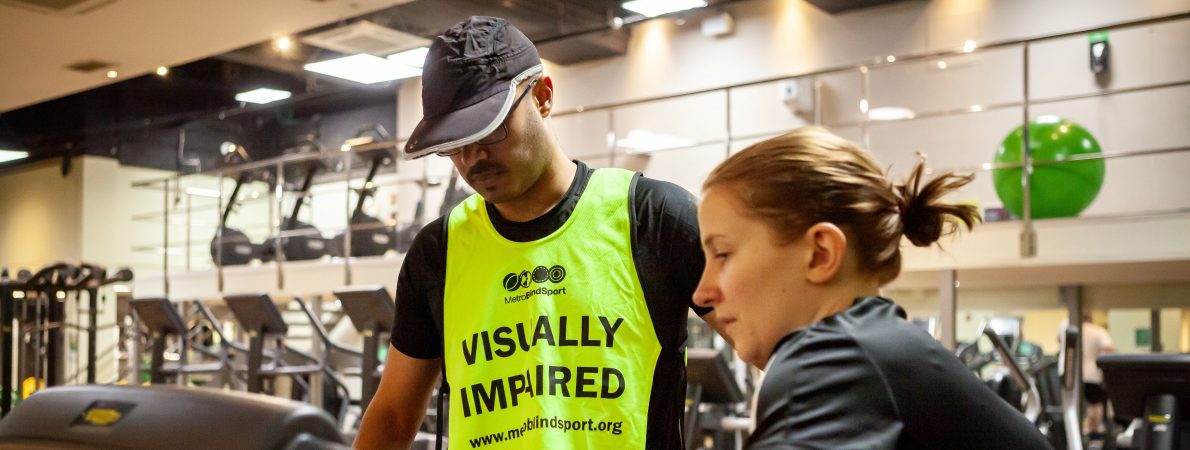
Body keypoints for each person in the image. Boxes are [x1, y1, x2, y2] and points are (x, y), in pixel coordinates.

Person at [354, 16, 723, 450]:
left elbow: (773, 342)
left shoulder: (653, 217)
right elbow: (394, 414)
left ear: (544, 96)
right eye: (454, 143)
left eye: (490, 129)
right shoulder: (440, 251)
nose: (472, 157)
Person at [692, 127, 1051, 449]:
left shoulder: (834, 359)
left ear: (820, 254)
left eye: (722, 254)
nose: (701, 294)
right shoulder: (874, 348)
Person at [1059, 313, 1116, 440]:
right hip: (1091, 375)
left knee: (1070, 405)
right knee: (1095, 405)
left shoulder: (1065, 326)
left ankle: (1076, 434)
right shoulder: (1098, 332)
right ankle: (1093, 431)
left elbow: (1058, 340)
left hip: (1069, 374)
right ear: (1091, 318)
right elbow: (1110, 350)